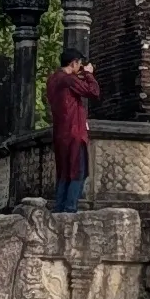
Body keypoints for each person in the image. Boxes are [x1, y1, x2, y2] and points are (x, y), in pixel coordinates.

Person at [47, 47, 100, 215]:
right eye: (79, 63)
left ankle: (59, 208)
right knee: (78, 172)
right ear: (73, 63)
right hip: (74, 132)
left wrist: (81, 75)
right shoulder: (68, 80)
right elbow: (93, 92)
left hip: (60, 133)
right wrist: (89, 74)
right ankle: (69, 209)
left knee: (64, 173)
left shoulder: (53, 79)